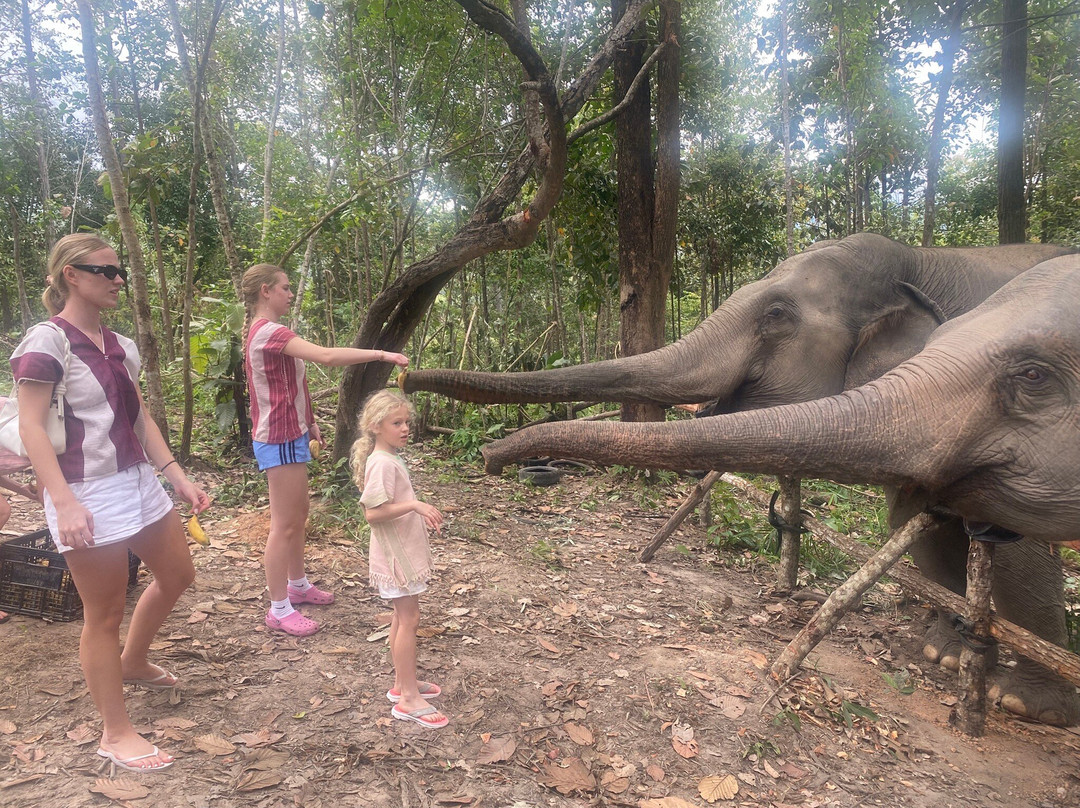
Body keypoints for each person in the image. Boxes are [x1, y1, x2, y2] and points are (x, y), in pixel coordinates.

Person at [11, 234, 210, 772]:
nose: (118, 279)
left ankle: (135, 661)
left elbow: (138, 418)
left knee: (177, 575)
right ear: (71, 275)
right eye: (104, 270)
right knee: (102, 614)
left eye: (119, 270)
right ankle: (115, 732)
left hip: (137, 479)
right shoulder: (47, 341)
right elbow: (31, 426)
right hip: (85, 489)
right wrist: (64, 502)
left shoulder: (121, 344)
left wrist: (176, 477)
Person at [241, 264, 408, 637]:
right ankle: (278, 607)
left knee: (298, 516)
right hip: (278, 437)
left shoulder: (274, 332)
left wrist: (310, 420)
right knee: (284, 524)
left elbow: (291, 383)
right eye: (285, 288)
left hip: (294, 432)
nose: (290, 293)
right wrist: (382, 355)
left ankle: (297, 585)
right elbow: (328, 357)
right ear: (265, 291)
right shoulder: (268, 332)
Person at [352, 389, 447, 729]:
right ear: (376, 426)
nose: (405, 428)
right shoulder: (380, 463)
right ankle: (408, 698)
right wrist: (415, 505)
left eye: (407, 422)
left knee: (401, 616)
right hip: (396, 557)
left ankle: (402, 683)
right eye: (397, 423)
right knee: (409, 618)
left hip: (401, 551)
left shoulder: (389, 458)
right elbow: (373, 513)